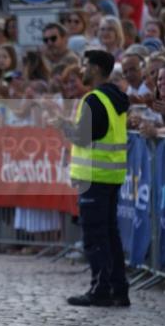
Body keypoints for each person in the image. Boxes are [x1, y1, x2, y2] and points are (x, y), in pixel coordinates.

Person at [55, 50, 130, 307]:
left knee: (96, 236)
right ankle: (118, 289)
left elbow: (84, 137)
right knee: (110, 234)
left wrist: (64, 126)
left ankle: (101, 289)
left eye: (85, 65)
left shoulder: (94, 99)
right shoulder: (114, 97)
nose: (82, 70)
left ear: (96, 69)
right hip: (111, 174)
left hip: (94, 176)